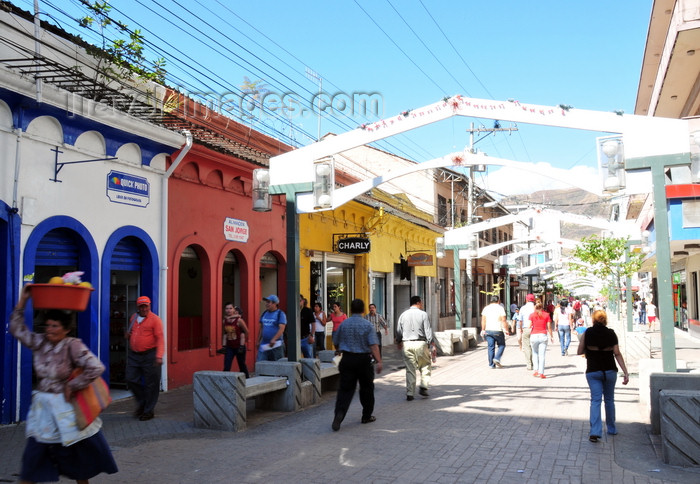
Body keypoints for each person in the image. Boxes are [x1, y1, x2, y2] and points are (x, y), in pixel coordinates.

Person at [10, 286, 118, 483]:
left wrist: (73, 384)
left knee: (79, 462)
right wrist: (23, 300)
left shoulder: (72, 345)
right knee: (33, 458)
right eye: (48, 325)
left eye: (54, 326)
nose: (49, 330)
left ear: (66, 329)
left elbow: (96, 367)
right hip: (42, 411)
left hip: (66, 410)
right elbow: (16, 329)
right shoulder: (40, 342)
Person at [577, 309, 630, 442]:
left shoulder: (587, 332)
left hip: (593, 370)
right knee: (609, 400)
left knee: (595, 401)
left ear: (593, 319)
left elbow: (579, 351)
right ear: (605, 319)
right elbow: (617, 353)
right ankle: (611, 429)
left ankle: (595, 431)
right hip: (610, 370)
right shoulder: (611, 333)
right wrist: (625, 371)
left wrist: (589, 350)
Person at [331, 299, 382, 431]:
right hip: (364, 360)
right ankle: (366, 415)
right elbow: (373, 345)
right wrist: (379, 361)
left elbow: (335, 340)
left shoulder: (344, 324)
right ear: (363, 310)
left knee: (345, 389)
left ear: (351, 309)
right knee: (366, 389)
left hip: (347, 359)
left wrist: (339, 349)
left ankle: (339, 414)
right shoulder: (367, 325)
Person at [126, 295, 164, 421]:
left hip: (150, 355)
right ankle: (143, 403)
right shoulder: (133, 318)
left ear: (149, 306)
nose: (144, 309)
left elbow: (160, 339)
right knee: (130, 379)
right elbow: (129, 334)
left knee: (151, 384)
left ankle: (148, 411)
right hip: (134, 355)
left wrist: (159, 356)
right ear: (138, 307)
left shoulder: (155, 320)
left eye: (146, 306)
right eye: (141, 306)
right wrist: (127, 336)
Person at [396, 296, 435, 400]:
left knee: (410, 369)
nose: (421, 304)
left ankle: (410, 393)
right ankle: (424, 386)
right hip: (421, 343)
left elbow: (399, 331)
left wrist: (399, 341)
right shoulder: (423, 314)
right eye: (421, 303)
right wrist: (432, 343)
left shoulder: (403, 315)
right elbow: (428, 330)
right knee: (425, 365)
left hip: (407, 344)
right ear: (418, 303)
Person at [221, 303, 250, 377]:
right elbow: (225, 333)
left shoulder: (239, 320)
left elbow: (246, 331)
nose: (228, 310)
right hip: (229, 346)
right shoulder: (224, 321)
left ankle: (247, 379)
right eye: (227, 308)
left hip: (239, 346)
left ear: (234, 309)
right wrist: (224, 346)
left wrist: (243, 343)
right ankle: (225, 382)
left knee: (241, 365)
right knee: (227, 365)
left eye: (230, 308)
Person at [257, 294, 287, 361]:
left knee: (277, 366)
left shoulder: (280, 314)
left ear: (275, 303)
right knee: (260, 363)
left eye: (268, 302)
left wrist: (274, 339)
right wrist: (258, 341)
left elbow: (282, 328)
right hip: (264, 344)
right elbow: (262, 328)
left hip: (276, 345)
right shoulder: (264, 313)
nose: (266, 304)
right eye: (266, 302)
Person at [481, 295, 508, 368]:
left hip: (488, 330)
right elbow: (503, 320)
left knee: (490, 347)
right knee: (502, 345)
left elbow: (483, 320)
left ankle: (491, 365)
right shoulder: (500, 308)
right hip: (498, 330)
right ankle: (497, 358)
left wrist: (483, 329)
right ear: (498, 301)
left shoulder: (486, 308)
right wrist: (506, 329)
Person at [529, 302, 553, 378]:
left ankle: (536, 370)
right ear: (542, 307)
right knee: (542, 355)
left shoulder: (532, 315)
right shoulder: (547, 315)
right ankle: (541, 372)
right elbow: (549, 327)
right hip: (543, 335)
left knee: (535, 353)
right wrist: (551, 336)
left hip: (534, 335)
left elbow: (529, 325)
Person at [518, 293, 536, 370]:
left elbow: (520, 320)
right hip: (535, 329)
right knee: (534, 346)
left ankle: (529, 364)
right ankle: (536, 363)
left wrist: (521, 328)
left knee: (527, 346)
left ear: (526, 299)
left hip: (526, 328)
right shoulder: (536, 308)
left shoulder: (523, 308)